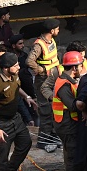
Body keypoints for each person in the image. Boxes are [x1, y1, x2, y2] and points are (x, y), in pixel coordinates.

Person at [26, 18, 61, 151]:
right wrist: (41, 70)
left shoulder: (51, 41)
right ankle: (43, 140)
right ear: (51, 31)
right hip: (43, 80)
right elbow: (30, 61)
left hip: (52, 78)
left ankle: (52, 136)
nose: (58, 31)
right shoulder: (39, 45)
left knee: (53, 108)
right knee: (45, 110)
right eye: (57, 29)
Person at [52, 51, 83, 171]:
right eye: (81, 66)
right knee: (72, 155)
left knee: (73, 152)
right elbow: (72, 105)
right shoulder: (64, 85)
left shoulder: (68, 81)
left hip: (68, 122)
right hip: (66, 124)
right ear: (74, 68)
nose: (82, 68)